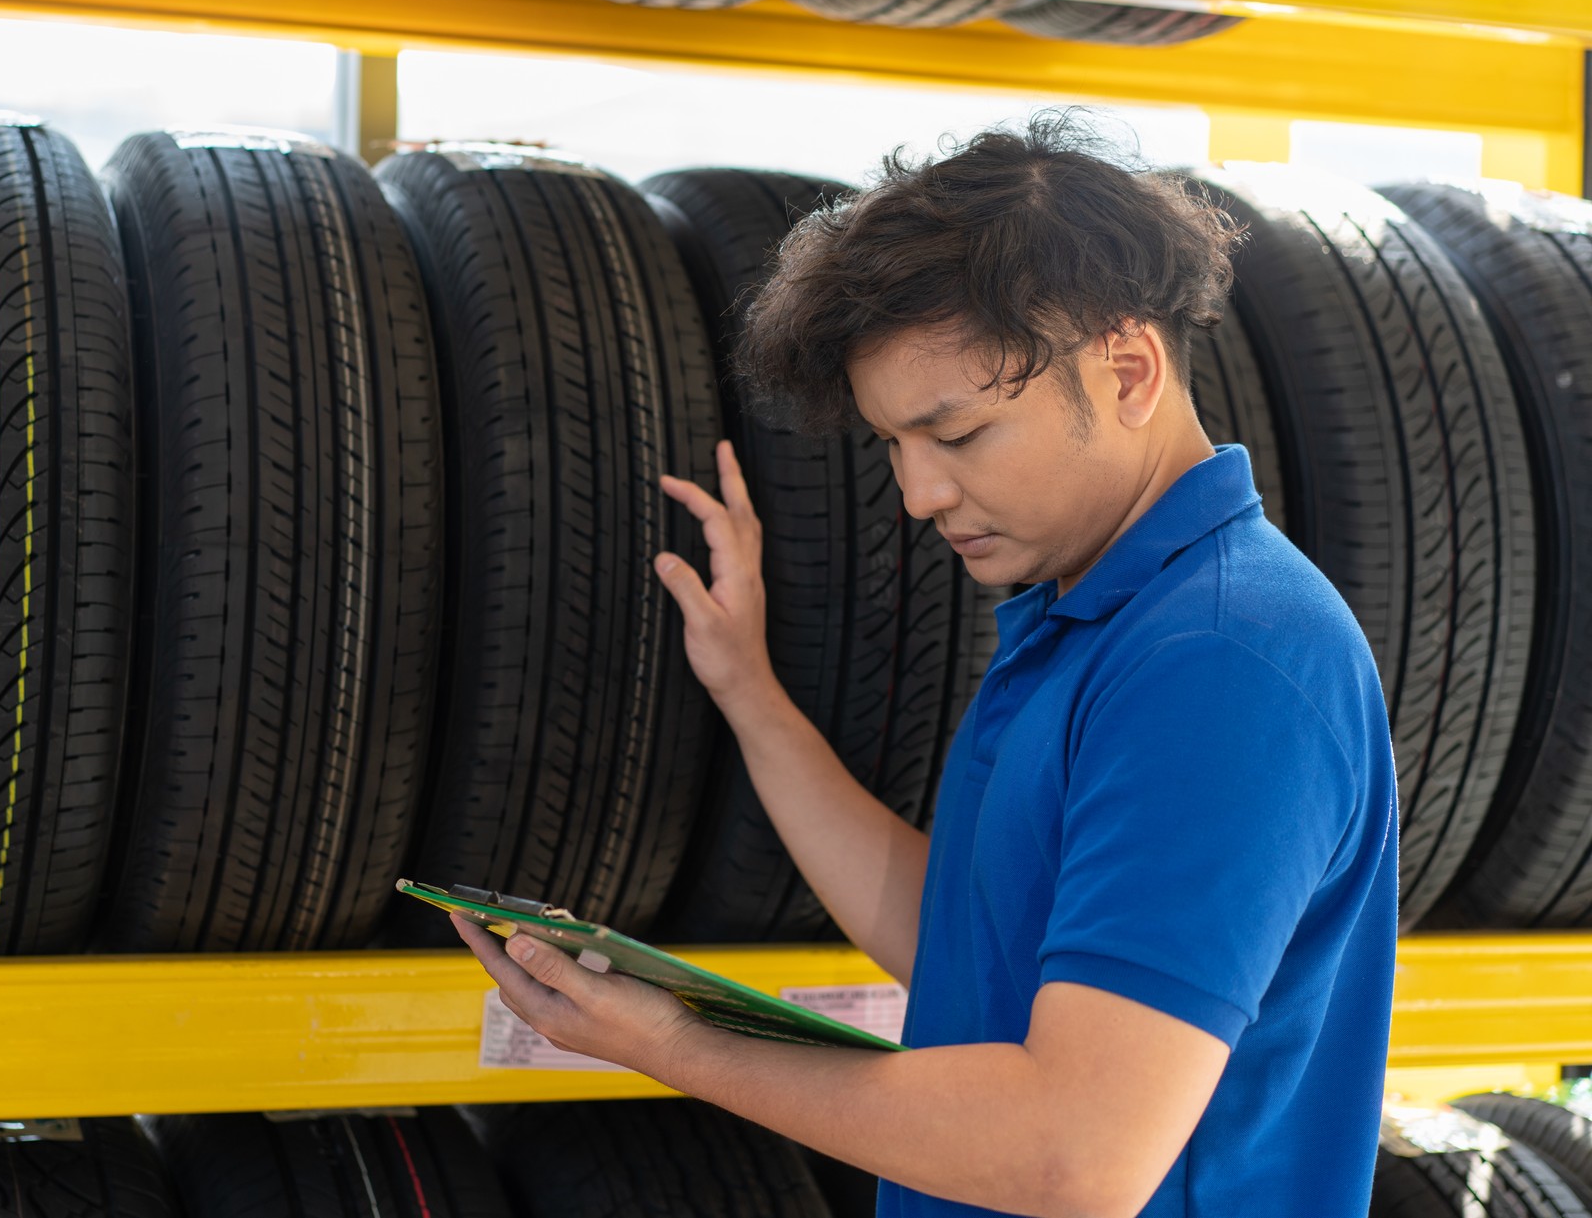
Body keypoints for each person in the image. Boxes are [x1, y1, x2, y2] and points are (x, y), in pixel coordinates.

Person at [448, 113, 1399, 1218]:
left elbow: (1074, 1154)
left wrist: (677, 1048)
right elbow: (961, 943)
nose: (918, 495)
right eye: (892, 444)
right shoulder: (1092, 619)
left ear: (1129, 367)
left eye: (956, 437)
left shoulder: (1223, 664)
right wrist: (748, 695)